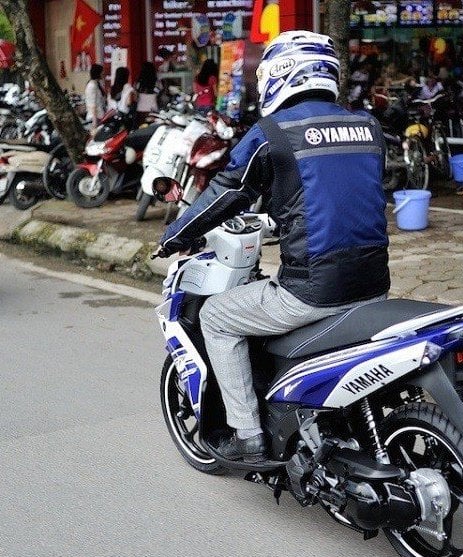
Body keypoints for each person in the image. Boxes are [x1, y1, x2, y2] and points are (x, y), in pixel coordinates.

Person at [155, 31, 390, 463]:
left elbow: (227, 191)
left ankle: (247, 434)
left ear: (280, 75)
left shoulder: (274, 132)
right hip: (374, 284)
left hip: (312, 290)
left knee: (217, 316)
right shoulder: (368, 126)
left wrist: (174, 236)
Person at [84, 63, 106, 132]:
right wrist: (94, 122)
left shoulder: (96, 84)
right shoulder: (92, 86)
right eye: (102, 71)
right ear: (98, 73)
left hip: (99, 116)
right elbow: (92, 105)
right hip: (95, 118)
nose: (104, 73)